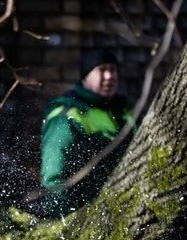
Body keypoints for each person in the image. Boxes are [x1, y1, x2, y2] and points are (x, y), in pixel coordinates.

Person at [40, 48, 132, 218]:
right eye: (102, 70)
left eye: (113, 70)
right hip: (86, 217)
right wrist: (62, 224)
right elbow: (54, 177)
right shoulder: (67, 114)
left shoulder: (125, 113)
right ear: (85, 77)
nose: (109, 76)